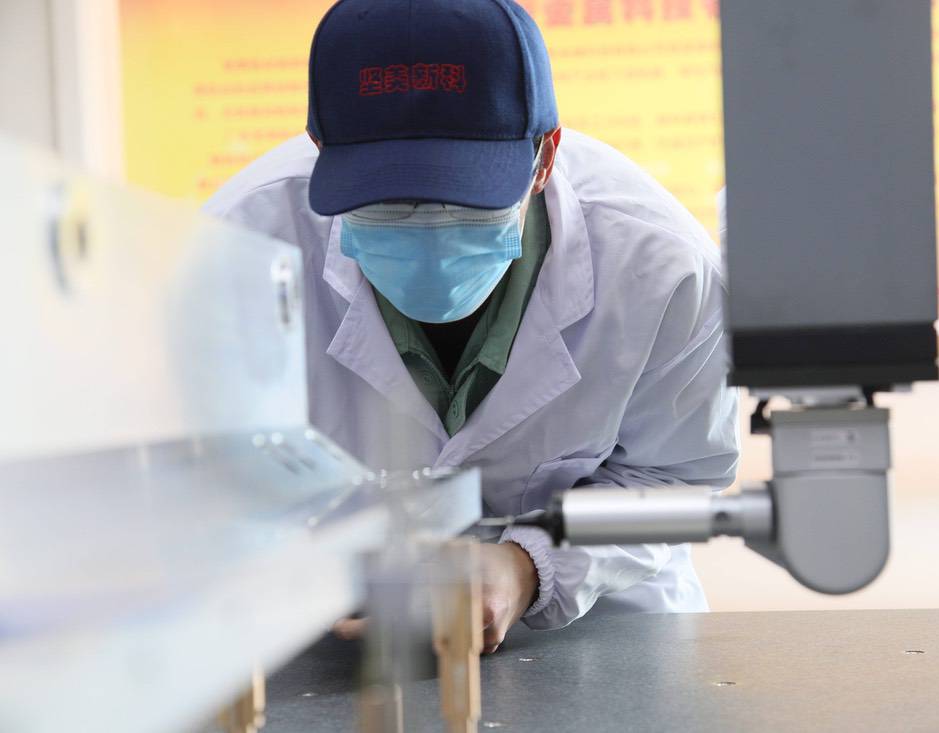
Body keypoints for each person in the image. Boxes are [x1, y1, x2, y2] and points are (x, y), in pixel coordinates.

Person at [205, 0, 738, 654]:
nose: (428, 226)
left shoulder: (662, 270)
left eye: (467, 198)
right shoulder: (236, 251)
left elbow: (675, 478)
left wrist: (527, 566)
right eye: (386, 200)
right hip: (332, 642)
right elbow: (211, 483)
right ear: (322, 155)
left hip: (598, 636)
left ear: (544, 158)